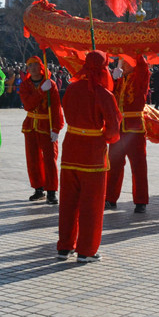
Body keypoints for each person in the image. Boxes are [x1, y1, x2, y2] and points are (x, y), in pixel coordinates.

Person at [56, 50, 121, 263]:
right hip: (92, 154)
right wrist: (104, 137)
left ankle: (65, 246)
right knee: (91, 205)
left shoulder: (72, 88)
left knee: (68, 202)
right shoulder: (104, 94)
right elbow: (113, 128)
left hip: (70, 150)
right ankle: (86, 250)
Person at [106, 55, 150, 213]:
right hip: (118, 128)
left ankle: (140, 201)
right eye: (122, 61)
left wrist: (135, 53)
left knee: (138, 166)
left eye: (126, 61)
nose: (123, 64)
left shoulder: (140, 78)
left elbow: (144, 69)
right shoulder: (120, 79)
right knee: (114, 164)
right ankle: (110, 198)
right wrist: (112, 79)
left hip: (134, 129)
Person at [20, 56, 64, 204]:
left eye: (35, 65)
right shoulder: (25, 85)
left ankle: (52, 190)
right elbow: (28, 105)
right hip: (31, 126)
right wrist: (40, 92)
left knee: (50, 159)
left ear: (41, 67)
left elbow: (56, 107)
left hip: (47, 125)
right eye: (29, 65)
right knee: (33, 159)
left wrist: (56, 128)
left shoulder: (50, 84)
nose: (32, 67)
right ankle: (38, 189)